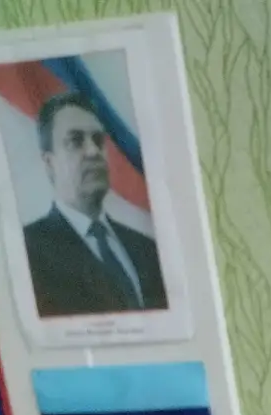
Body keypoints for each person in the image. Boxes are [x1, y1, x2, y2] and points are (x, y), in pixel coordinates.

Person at [21, 92, 167, 318]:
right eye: (75, 141)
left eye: (98, 140)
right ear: (49, 163)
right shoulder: (27, 251)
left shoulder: (147, 249)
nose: (93, 152)